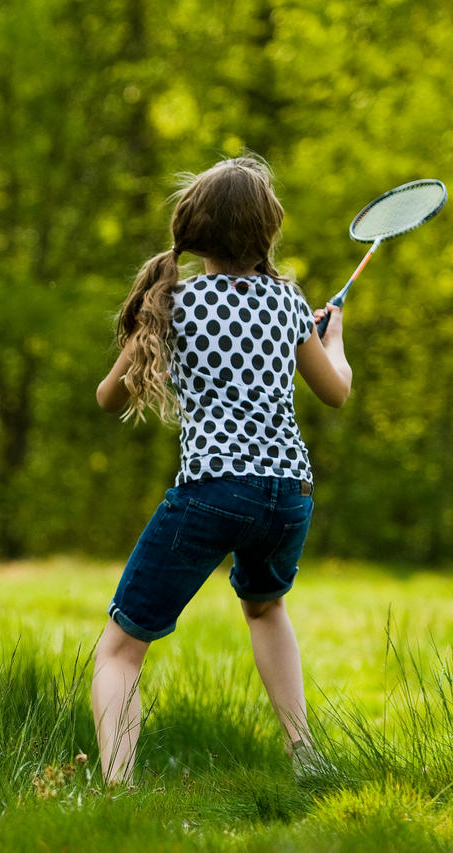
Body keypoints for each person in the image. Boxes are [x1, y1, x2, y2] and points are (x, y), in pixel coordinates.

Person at [91, 156, 353, 785]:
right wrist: (332, 336)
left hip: (213, 491)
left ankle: (117, 789)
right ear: (267, 232)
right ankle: (305, 756)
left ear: (192, 229)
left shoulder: (172, 303)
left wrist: (147, 339)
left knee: (120, 651)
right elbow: (336, 391)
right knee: (266, 609)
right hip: (288, 495)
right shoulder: (289, 303)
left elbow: (108, 396)